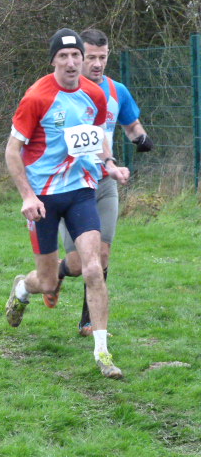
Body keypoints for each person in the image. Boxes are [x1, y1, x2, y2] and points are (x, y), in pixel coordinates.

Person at [4, 29, 130, 379]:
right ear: (54, 61)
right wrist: (28, 196)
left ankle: (103, 353)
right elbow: (12, 151)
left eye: (77, 55)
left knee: (93, 267)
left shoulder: (94, 95)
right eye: (64, 56)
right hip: (43, 198)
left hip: (80, 190)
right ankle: (20, 288)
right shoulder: (37, 98)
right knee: (47, 282)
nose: (73, 62)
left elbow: (98, 138)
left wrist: (109, 165)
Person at [48, 28, 154, 336]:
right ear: (77, 57)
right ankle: (56, 272)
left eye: (102, 58)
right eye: (91, 57)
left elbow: (130, 124)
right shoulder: (59, 93)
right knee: (79, 261)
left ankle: (88, 320)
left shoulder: (115, 90)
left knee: (102, 253)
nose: (97, 64)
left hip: (104, 180)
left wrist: (141, 138)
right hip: (69, 183)